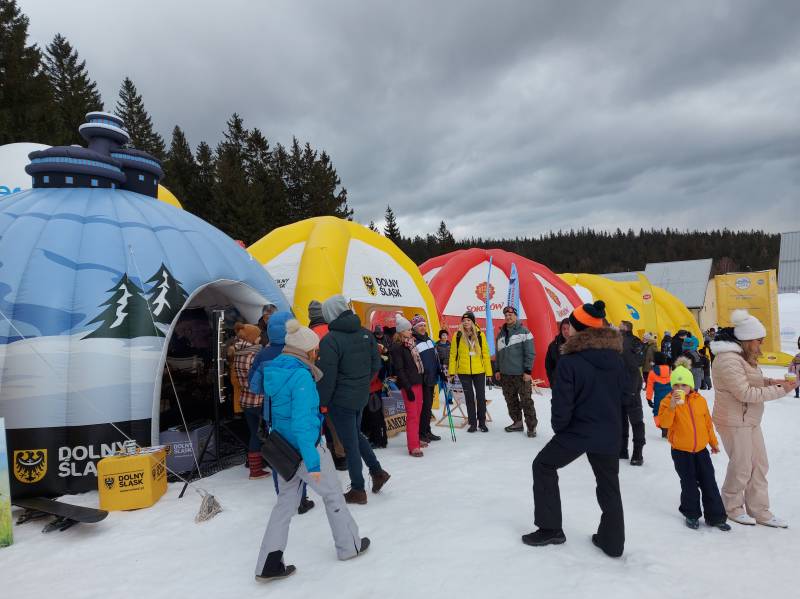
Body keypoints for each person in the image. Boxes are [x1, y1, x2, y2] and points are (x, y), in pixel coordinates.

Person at [253, 320, 369, 582]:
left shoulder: (275, 370)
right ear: (306, 350)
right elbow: (303, 423)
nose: (317, 353)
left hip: (282, 448)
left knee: (285, 503)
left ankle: (269, 562)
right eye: (315, 349)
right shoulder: (301, 376)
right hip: (305, 449)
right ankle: (349, 546)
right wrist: (313, 463)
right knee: (333, 494)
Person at [523, 300, 625, 558]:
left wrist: (561, 429)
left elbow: (562, 404)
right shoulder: (616, 358)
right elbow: (626, 395)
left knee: (543, 465)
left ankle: (550, 528)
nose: (568, 329)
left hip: (578, 431)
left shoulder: (570, 360)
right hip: (609, 430)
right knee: (609, 484)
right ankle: (613, 542)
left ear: (579, 328)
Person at [710, 310, 798, 527]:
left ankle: (759, 510)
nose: (762, 344)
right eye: (759, 340)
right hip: (733, 420)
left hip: (749, 419)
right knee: (741, 466)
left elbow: (751, 380)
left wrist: (771, 382)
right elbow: (744, 392)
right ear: (748, 339)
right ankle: (732, 506)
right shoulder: (728, 360)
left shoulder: (742, 357)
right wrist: (782, 390)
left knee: (759, 465)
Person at [317, 294, 390, 504]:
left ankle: (358, 489)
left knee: (350, 443)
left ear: (330, 314)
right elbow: (376, 364)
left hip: (340, 400)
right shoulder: (366, 333)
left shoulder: (330, 340)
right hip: (360, 395)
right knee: (355, 436)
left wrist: (322, 402)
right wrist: (362, 383)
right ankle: (377, 472)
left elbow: (327, 377)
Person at [249, 311, 315, 515]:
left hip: (273, 414)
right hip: (298, 411)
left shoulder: (263, 355)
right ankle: (301, 499)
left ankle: (285, 499)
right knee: (300, 455)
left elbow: (254, 386)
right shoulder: (298, 351)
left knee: (280, 456)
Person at [658, 363, 731, 531]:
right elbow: (664, 423)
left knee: (709, 482)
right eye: (676, 385)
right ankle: (691, 514)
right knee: (689, 483)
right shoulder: (667, 401)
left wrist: (713, 442)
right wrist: (672, 407)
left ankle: (716, 517)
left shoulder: (700, 401)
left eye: (684, 385)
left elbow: (707, 424)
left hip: (701, 451)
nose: (680, 388)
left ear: (691, 386)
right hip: (681, 452)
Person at [308, 300, 347, 471]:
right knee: (337, 422)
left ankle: (331, 454)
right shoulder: (333, 331)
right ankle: (341, 455)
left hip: (317, 384)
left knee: (323, 421)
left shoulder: (309, 335)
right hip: (339, 384)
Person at [232, 323, 269, 479]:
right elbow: (261, 378)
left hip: (246, 400)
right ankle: (274, 462)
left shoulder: (239, 353)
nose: (260, 338)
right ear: (252, 338)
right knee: (268, 433)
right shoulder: (254, 355)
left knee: (254, 434)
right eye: (258, 336)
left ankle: (255, 469)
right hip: (259, 399)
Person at [495, 306, 537, 437]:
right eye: (506, 315)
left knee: (526, 401)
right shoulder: (500, 335)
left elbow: (530, 352)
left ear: (516, 316)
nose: (508, 317)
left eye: (510, 315)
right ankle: (517, 423)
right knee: (511, 400)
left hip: (521, 375)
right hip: (505, 374)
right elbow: (498, 354)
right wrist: (497, 369)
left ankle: (531, 427)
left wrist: (528, 371)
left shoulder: (524, 332)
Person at [448, 311, 493, 433]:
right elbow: (453, 355)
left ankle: (482, 422)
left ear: (473, 322)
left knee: (481, 397)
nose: (466, 322)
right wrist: (451, 372)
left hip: (479, 371)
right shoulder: (457, 335)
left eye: (468, 320)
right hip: (463, 372)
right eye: (464, 320)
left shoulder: (480, 335)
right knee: (469, 398)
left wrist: (489, 373)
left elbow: (485, 354)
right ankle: (472, 423)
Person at [390, 316, 426, 456]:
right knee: (412, 415)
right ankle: (413, 446)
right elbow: (399, 370)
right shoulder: (397, 347)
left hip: (417, 381)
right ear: (401, 331)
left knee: (418, 413)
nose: (411, 332)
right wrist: (407, 387)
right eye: (408, 330)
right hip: (409, 385)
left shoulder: (411, 344)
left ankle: (415, 438)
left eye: (411, 329)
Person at [411, 315, 442, 442]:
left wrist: (439, 370)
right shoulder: (414, 342)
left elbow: (435, 358)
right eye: (420, 326)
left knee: (428, 406)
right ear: (414, 328)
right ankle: (422, 433)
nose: (423, 327)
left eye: (424, 325)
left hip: (432, 377)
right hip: (423, 379)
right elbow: (414, 363)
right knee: (424, 407)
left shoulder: (429, 340)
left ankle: (427, 430)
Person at [618, 320, 645, 466]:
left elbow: (638, 362)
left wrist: (624, 353)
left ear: (626, 327)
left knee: (636, 419)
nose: (618, 326)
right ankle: (622, 449)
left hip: (632, 385)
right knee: (621, 419)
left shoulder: (634, 341)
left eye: (620, 325)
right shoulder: (615, 340)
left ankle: (637, 452)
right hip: (618, 386)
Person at [645, 352, 672, 438]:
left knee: (657, 412)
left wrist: (648, 398)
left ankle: (663, 427)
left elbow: (649, 387)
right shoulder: (670, 371)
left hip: (659, 398)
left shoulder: (652, 373)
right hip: (670, 397)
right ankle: (668, 427)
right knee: (669, 411)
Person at [544, 318, 571, 389]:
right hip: (558, 384)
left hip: (574, 385)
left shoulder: (579, 345)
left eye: (568, 328)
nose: (566, 331)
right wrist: (552, 380)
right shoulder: (553, 345)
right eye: (564, 329)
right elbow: (548, 365)